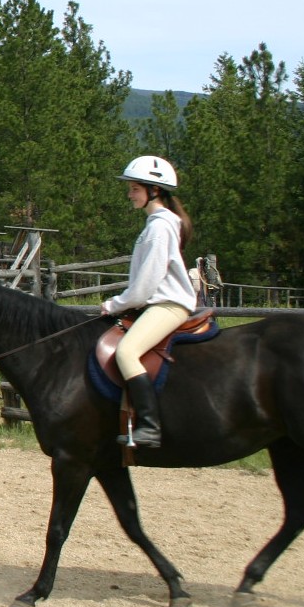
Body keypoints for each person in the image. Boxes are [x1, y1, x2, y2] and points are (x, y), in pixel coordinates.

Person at [99, 155, 197, 449]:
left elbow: (145, 285)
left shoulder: (159, 227)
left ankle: (150, 427)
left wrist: (115, 304)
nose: (130, 194)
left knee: (127, 352)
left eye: (135, 189)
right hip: (156, 304)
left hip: (167, 305)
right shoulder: (158, 224)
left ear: (154, 190)